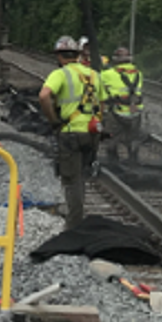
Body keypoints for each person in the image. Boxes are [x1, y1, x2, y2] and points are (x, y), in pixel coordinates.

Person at [39, 35, 105, 229]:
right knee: (82, 175)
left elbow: (44, 96)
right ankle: (78, 215)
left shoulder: (60, 74)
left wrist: (54, 121)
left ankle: (74, 225)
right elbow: (101, 104)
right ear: (77, 55)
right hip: (92, 133)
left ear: (59, 56)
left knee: (71, 180)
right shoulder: (94, 74)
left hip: (70, 133)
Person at [101, 46, 144, 164]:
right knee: (133, 138)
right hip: (135, 112)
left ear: (115, 60)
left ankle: (113, 162)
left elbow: (101, 94)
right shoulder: (139, 74)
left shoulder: (106, 74)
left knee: (111, 139)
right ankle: (133, 161)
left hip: (116, 113)